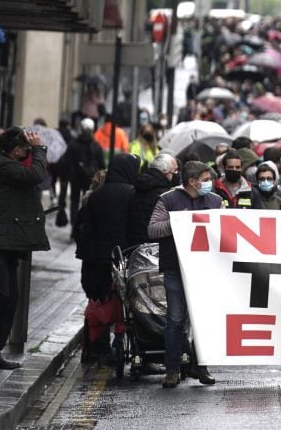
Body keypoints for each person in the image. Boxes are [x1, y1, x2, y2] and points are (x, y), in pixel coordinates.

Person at [0, 127, 49, 369]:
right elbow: (35, 176)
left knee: (11, 298)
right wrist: (40, 149)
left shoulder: (6, 163)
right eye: (23, 149)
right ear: (13, 149)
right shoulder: (0, 164)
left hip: (5, 240)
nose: (25, 153)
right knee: (0, 293)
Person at [148, 160, 220, 389]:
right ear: (192, 182)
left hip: (205, 270)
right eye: (207, 180)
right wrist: (178, 222)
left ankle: (202, 366)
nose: (211, 184)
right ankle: (172, 369)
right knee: (176, 320)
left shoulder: (216, 201)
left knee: (203, 319)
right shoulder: (168, 199)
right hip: (176, 268)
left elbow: (225, 231)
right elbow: (153, 229)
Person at [74, 152, 140, 360]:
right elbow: (133, 227)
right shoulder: (131, 193)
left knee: (97, 302)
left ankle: (94, 347)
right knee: (119, 305)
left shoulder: (96, 195)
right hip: (119, 257)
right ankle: (117, 346)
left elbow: (87, 228)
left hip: (94, 259)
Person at [126, 154, 178, 247]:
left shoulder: (136, 189)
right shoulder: (165, 195)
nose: (176, 174)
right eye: (174, 171)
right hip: (156, 249)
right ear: (165, 171)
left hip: (134, 247)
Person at [63, 118, 105, 227]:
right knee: (88, 202)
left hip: (76, 178)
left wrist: (68, 175)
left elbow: (67, 162)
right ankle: (84, 225)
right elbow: (101, 164)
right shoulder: (96, 146)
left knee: (74, 202)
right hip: (90, 179)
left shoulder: (74, 144)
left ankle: (74, 227)